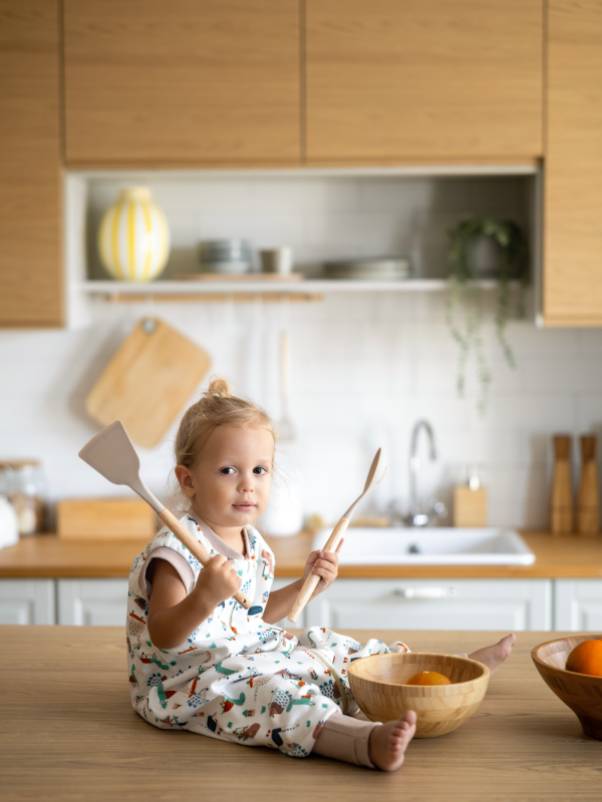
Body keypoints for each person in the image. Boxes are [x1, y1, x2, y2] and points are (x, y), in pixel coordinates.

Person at [126, 378, 514, 771]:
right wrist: (202, 598)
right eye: (229, 470)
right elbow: (163, 635)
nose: (248, 485)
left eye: (260, 470)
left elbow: (249, 616)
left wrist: (305, 588)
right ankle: (360, 741)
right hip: (191, 683)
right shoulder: (174, 552)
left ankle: (450, 676)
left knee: (333, 651)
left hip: (246, 654)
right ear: (188, 480)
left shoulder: (254, 544)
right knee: (273, 695)